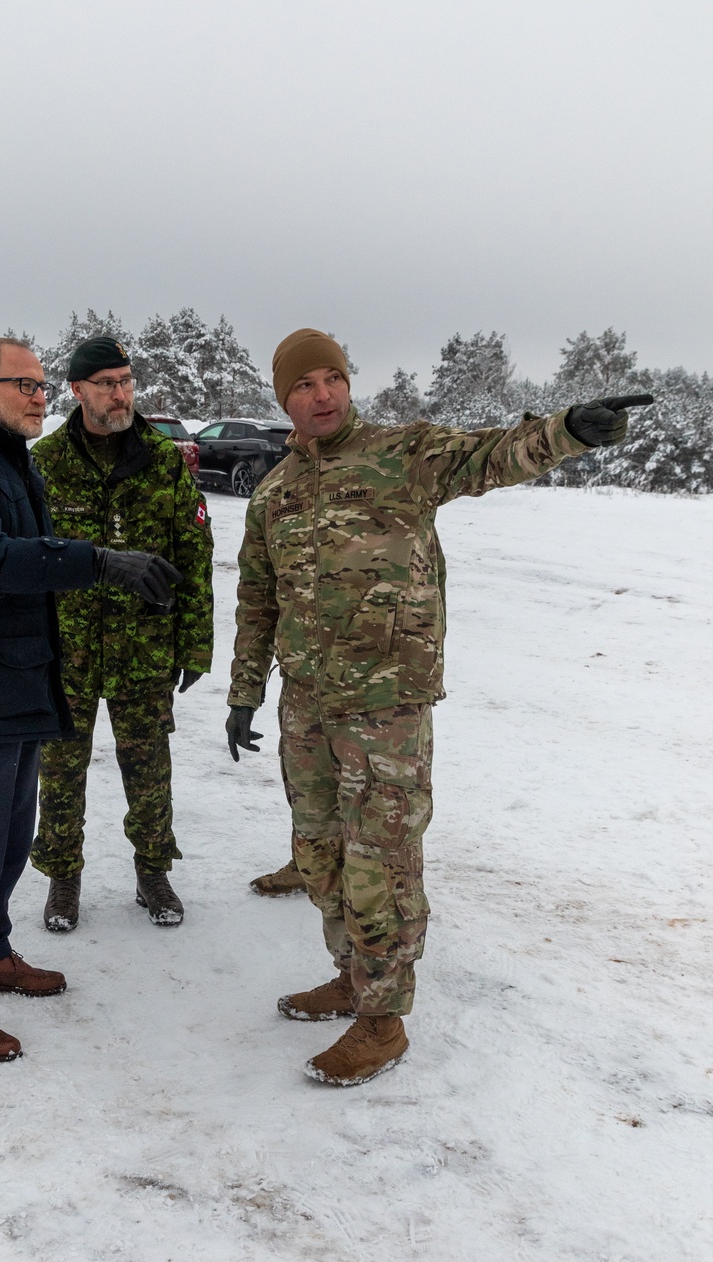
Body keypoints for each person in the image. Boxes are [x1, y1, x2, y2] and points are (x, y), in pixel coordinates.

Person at [226, 327, 652, 1088]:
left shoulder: (403, 453)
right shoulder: (275, 492)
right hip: (308, 707)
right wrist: (244, 693)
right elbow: (258, 601)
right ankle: (353, 975)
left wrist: (568, 430)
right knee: (320, 853)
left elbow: (492, 454)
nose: (322, 395)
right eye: (304, 385)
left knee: (378, 862)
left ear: (348, 384)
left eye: (332, 378)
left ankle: (383, 1020)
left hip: (387, 704)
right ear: (283, 399)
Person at [0, 336, 181, 1062]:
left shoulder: (7, 460)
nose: (38, 396)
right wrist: (99, 561)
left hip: (22, 676)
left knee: (9, 840)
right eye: (20, 384)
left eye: (40, 385)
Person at [29, 337, 214, 932]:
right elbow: (26, 558)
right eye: (106, 382)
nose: (120, 393)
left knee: (149, 766)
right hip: (67, 651)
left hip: (144, 648)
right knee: (59, 769)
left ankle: (153, 870)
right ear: (78, 390)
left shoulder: (161, 459)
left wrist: (195, 644)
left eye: (127, 380)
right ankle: (63, 876)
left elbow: (194, 552)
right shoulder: (46, 461)